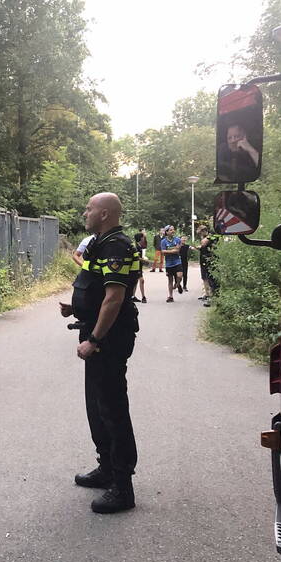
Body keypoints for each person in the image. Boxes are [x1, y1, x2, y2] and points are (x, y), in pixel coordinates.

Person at [59, 192, 140, 513]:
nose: (85, 212)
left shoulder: (116, 245)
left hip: (109, 337)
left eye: (89, 208)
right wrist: (76, 307)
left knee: (112, 408)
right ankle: (106, 466)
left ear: (105, 214)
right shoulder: (100, 242)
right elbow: (95, 289)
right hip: (96, 329)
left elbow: (114, 298)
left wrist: (93, 338)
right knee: (97, 406)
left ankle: (122, 485)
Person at [159, 226, 183, 302]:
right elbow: (163, 252)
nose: (173, 231)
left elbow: (177, 250)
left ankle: (178, 284)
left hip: (177, 261)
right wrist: (173, 250)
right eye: (171, 230)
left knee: (180, 276)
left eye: (173, 229)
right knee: (170, 280)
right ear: (167, 232)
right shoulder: (163, 241)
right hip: (169, 263)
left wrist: (168, 251)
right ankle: (170, 296)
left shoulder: (178, 240)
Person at [196, 227, 219, 306]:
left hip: (210, 260)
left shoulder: (211, 236)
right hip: (205, 260)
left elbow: (204, 243)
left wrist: (204, 239)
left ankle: (213, 299)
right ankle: (212, 297)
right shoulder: (211, 236)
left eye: (200, 233)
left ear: (204, 231)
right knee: (209, 279)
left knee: (212, 280)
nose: (200, 235)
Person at [132, 230, 148, 303]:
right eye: (143, 237)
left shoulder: (140, 246)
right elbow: (136, 257)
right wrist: (144, 261)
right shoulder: (135, 246)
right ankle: (143, 297)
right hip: (136, 266)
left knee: (135, 281)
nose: (144, 239)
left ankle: (133, 296)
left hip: (139, 266)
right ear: (140, 238)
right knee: (141, 280)